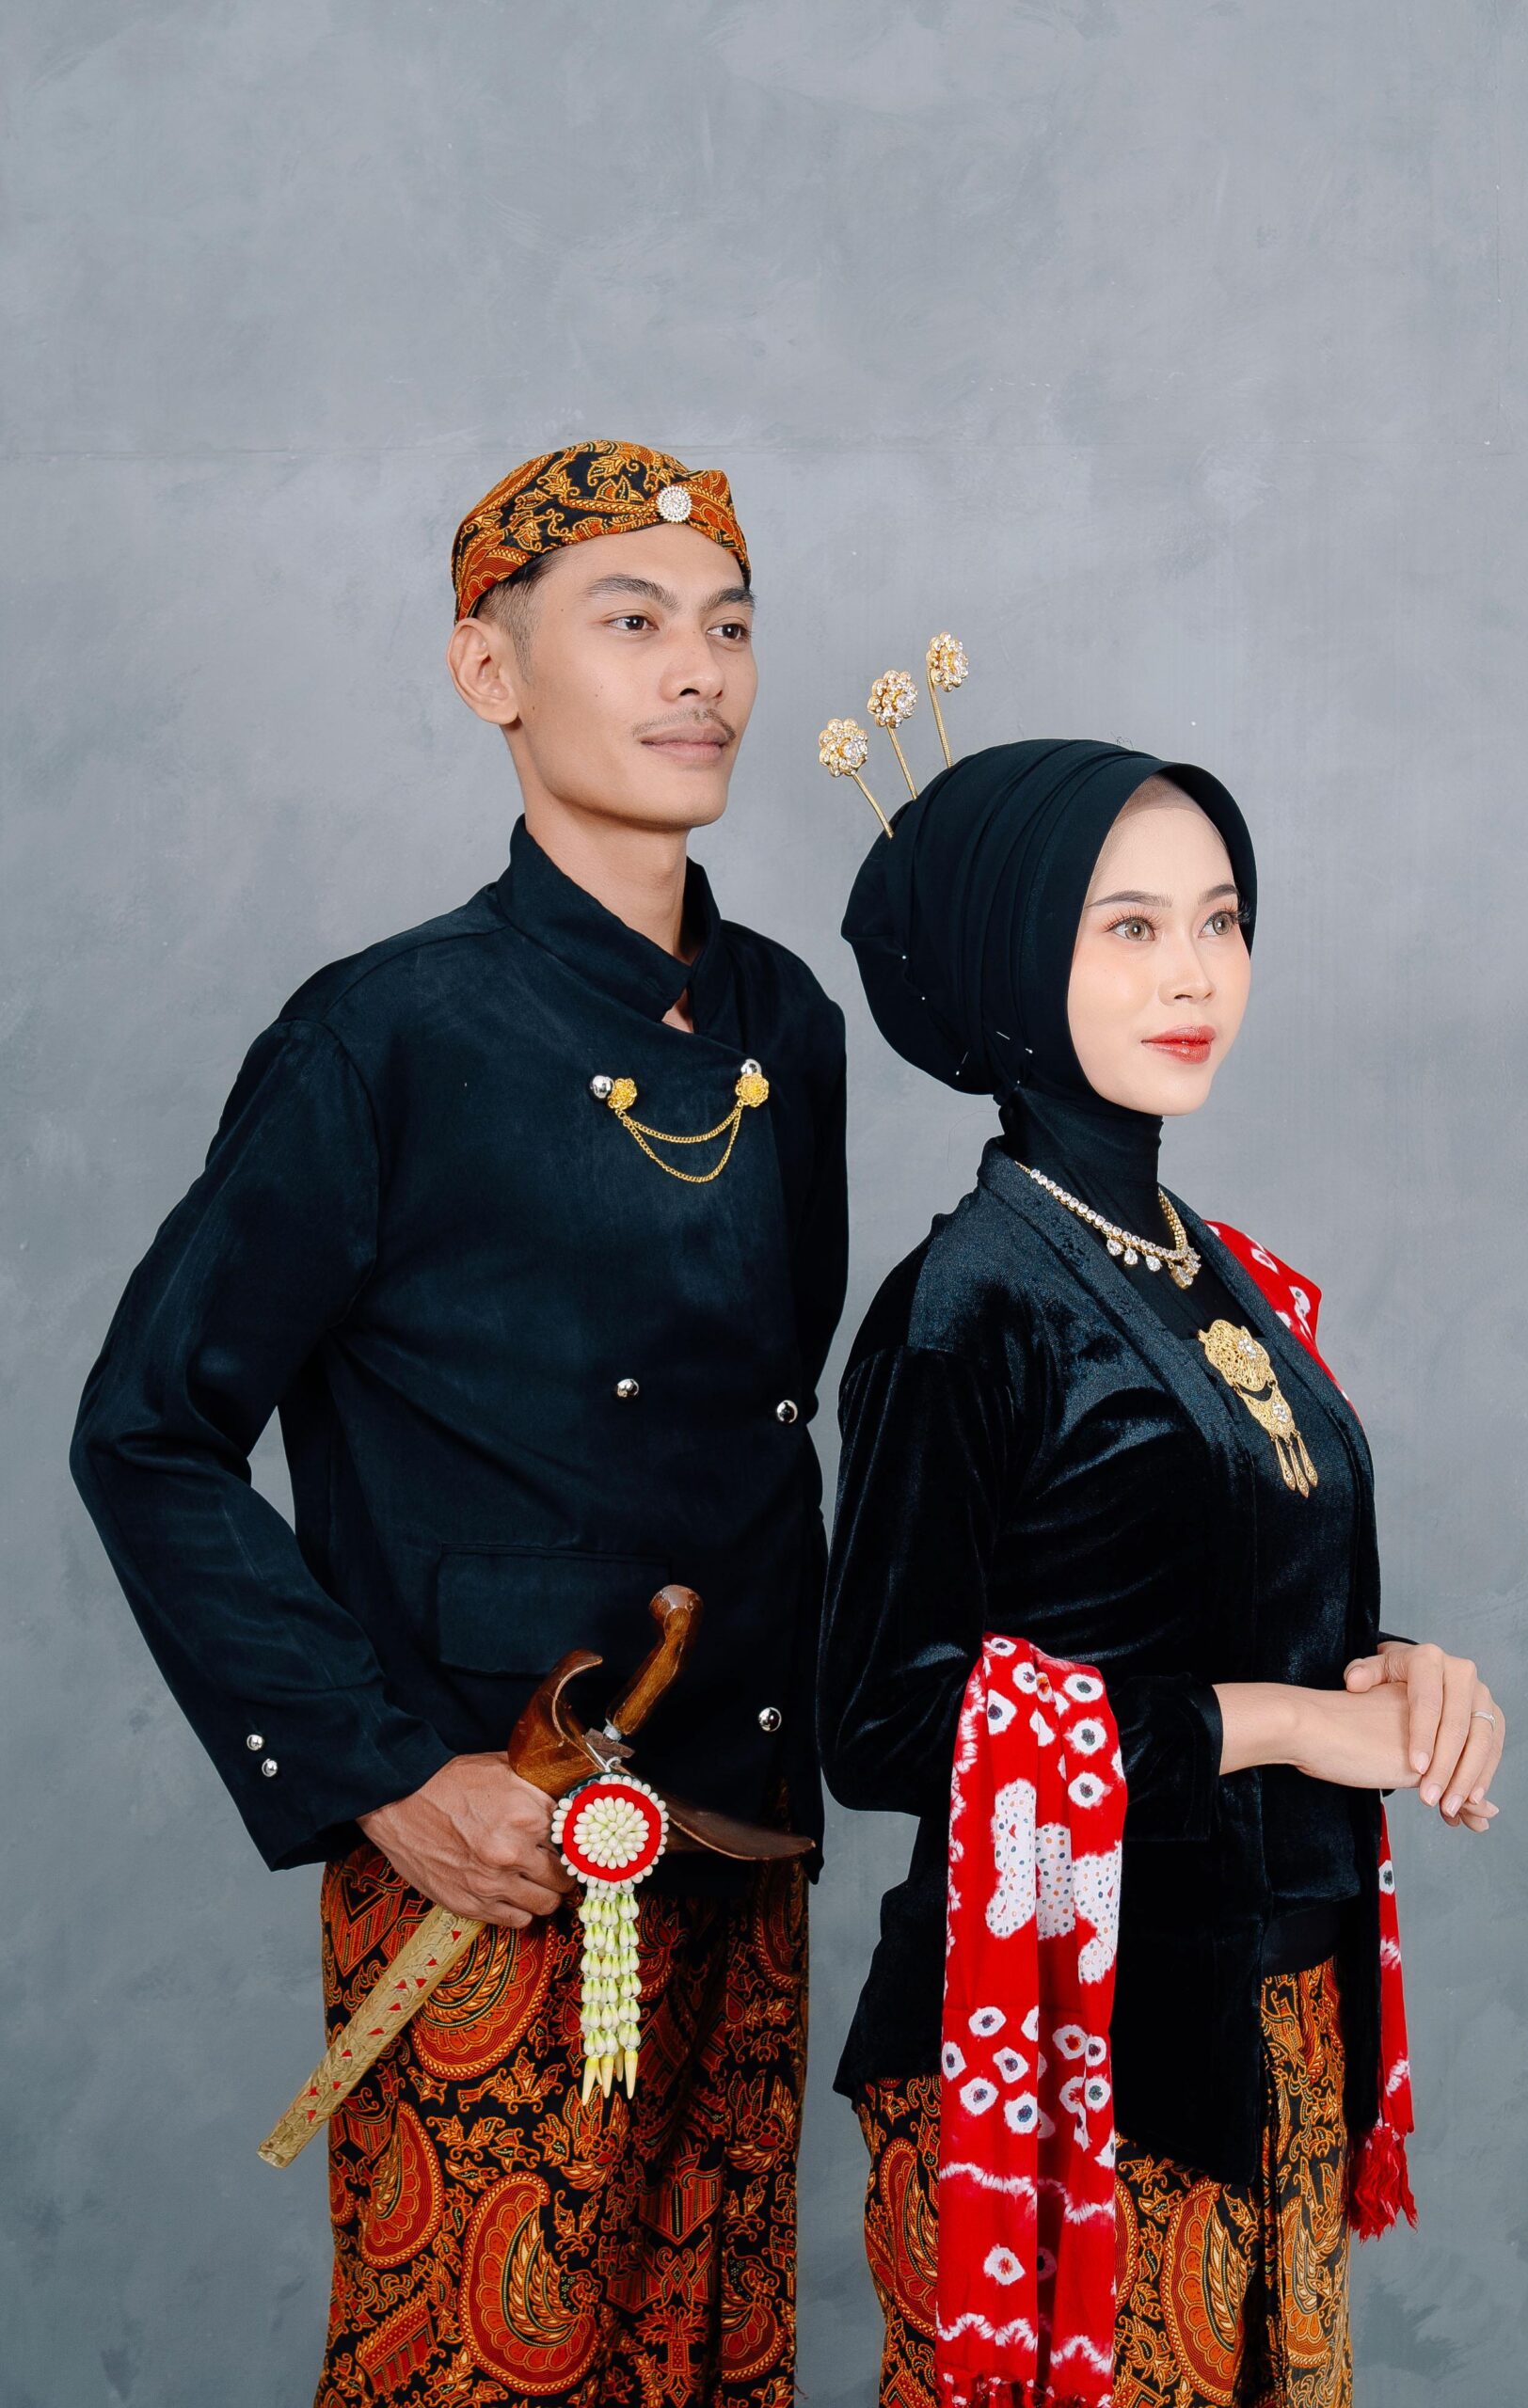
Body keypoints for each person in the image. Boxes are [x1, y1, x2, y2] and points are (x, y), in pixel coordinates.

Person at [71, 438, 847, 2407]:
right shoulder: (383, 1031)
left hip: (745, 1825)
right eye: (632, 620)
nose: (699, 671)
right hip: (494, 1840)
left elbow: (774, 1420)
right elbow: (147, 1429)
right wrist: (382, 1770)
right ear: (487, 670)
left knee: (721, 2367)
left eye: (729, 625)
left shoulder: (789, 1024)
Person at [818, 737, 1505, 2407]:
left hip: (1280, 2018)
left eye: (1220, 920)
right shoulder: (965, 1306)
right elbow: (884, 1721)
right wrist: (1287, 1724)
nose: (1195, 973)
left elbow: (1242, 1590)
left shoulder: (1225, 1273)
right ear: (1012, 956)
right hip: (1069, 2041)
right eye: (1128, 926)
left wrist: (1399, 1677)